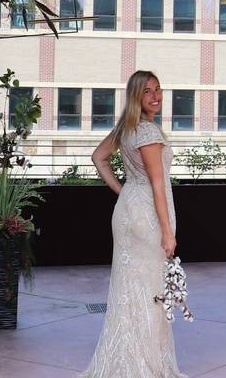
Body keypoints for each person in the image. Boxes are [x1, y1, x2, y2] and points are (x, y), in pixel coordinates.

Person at [79, 70, 186, 378]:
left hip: (127, 212)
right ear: (136, 97)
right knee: (150, 291)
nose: (155, 97)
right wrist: (167, 232)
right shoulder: (148, 133)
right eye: (147, 92)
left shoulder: (126, 129)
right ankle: (143, 366)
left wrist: (123, 190)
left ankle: (126, 359)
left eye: (158, 90)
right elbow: (156, 184)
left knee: (130, 290)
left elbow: (98, 158)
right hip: (146, 217)